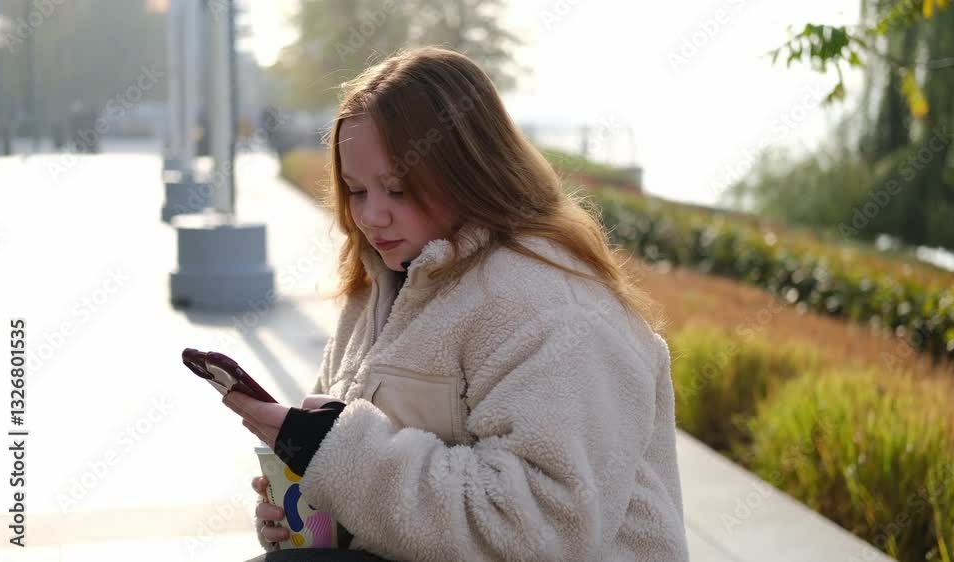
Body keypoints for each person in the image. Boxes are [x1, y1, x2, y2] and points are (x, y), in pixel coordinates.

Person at [221, 45, 689, 561]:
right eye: (356, 190)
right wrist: (304, 502)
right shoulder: (385, 285)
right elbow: (355, 472)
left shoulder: (554, 307)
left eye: (396, 190)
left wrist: (335, 456)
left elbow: (540, 532)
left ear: (468, 171)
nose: (371, 216)